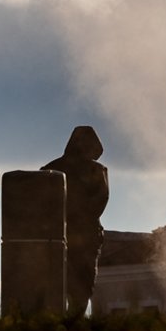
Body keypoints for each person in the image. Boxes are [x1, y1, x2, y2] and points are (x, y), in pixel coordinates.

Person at [42, 126, 109, 317]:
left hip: (60, 236)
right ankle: (71, 324)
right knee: (80, 287)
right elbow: (101, 201)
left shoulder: (51, 170)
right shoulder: (96, 170)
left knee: (61, 285)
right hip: (81, 237)